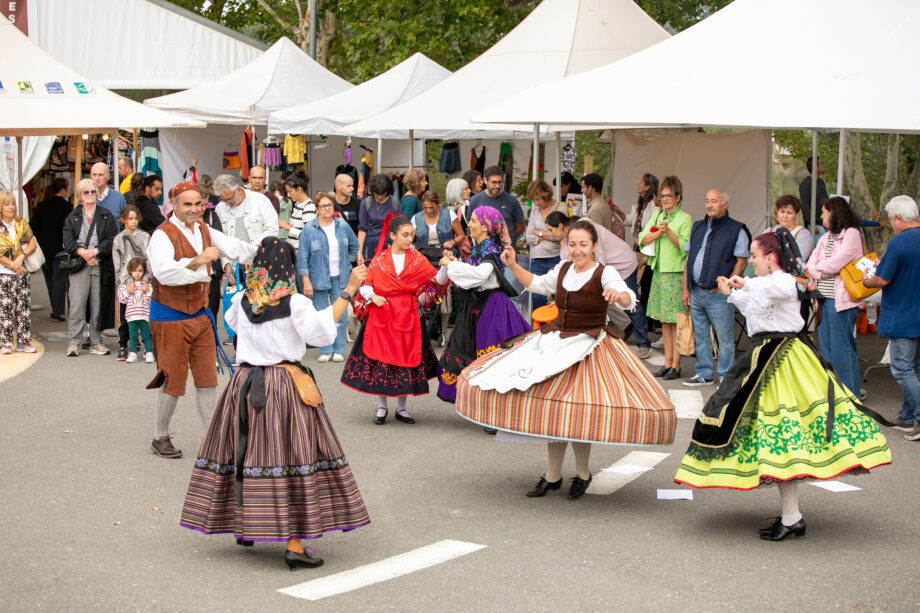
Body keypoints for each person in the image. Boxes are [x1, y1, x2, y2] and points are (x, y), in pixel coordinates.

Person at [674, 230, 891, 540]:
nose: (750, 262)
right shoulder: (769, 284)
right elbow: (754, 310)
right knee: (773, 439)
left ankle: (792, 518)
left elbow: (773, 288)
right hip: (764, 355)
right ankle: (792, 517)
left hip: (784, 358)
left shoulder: (785, 281)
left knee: (783, 438)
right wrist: (731, 293)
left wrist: (743, 282)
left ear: (771, 258)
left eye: (754, 256)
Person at [179, 237, 370, 570]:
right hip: (282, 386)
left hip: (244, 383)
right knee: (290, 460)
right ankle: (294, 544)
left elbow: (234, 326)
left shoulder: (241, 299)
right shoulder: (294, 302)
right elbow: (321, 335)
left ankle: (247, 526)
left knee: (246, 455)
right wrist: (349, 289)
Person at [456, 221, 675, 499]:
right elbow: (535, 284)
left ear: (595, 246)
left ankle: (583, 474)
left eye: (583, 244)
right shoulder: (562, 269)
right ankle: (553, 475)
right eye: (572, 244)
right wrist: (511, 264)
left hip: (588, 346)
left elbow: (627, 296)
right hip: (556, 341)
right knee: (555, 411)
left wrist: (617, 295)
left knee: (578, 412)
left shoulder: (604, 272)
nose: (577, 250)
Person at [146, 181, 258, 459]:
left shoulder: (205, 229)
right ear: (174, 203)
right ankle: (160, 436)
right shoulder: (162, 235)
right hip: (170, 318)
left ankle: (213, 439)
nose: (194, 209)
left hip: (201, 316)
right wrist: (198, 261)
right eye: (188, 204)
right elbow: (163, 273)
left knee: (208, 380)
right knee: (172, 380)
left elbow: (234, 246)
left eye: (198, 204)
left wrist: (265, 250)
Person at [341, 215, 444, 425]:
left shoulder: (417, 259)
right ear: (393, 236)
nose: (409, 239)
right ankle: (382, 407)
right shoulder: (379, 260)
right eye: (405, 235)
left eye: (412, 235)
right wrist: (372, 296)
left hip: (407, 314)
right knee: (382, 360)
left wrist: (448, 267)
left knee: (404, 359)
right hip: (383, 313)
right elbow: (366, 284)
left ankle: (401, 409)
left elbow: (435, 279)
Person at [436, 206, 531, 403]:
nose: (468, 224)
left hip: (492, 307)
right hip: (477, 305)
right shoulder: (480, 248)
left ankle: (496, 406)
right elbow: (471, 273)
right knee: (471, 352)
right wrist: (454, 262)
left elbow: (478, 276)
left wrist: (452, 265)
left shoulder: (491, 249)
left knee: (493, 357)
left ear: (486, 227)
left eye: (473, 221)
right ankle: (483, 404)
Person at [549, 212, 651, 357]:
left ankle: (644, 343)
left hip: (624, 264)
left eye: (551, 230)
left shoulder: (588, 230)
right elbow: (567, 264)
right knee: (601, 298)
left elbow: (599, 257)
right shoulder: (568, 238)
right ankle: (626, 327)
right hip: (609, 267)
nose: (550, 234)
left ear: (560, 226)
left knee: (630, 302)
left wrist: (592, 281)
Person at [863, 195, 920, 440]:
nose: (891, 223)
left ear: (898, 218)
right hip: (916, 313)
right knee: (915, 368)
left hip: (902, 315)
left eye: (890, 219)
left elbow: (882, 279)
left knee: (901, 370)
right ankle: (907, 417)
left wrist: (867, 279)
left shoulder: (899, 243)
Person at [682, 189, 751, 387]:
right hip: (696, 291)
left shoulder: (736, 229)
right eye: (707, 201)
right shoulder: (698, 226)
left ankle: (725, 375)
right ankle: (703, 373)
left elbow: (742, 261)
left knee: (724, 338)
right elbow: (688, 259)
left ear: (724, 204)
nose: (709, 205)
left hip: (718, 294)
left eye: (714, 201)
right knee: (701, 335)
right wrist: (686, 289)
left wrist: (726, 285)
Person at [806, 196, 864, 397]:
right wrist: (823, 271)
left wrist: (820, 270)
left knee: (842, 350)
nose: (821, 215)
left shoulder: (852, 235)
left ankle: (850, 397)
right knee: (827, 350)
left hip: (842, 301)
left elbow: (836, 263)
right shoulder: (825, 237)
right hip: (823, 298)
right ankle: (835, 396)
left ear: (834, 213)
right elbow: (809, 265)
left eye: (823, 211)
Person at [637, 175, 692, 379]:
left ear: (678, 197)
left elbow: (685, 247)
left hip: (675, 273)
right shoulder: (659, 216)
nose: (665, 199)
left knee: (676, 321)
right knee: (665, 322)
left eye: (669, 195)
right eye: (662, 195)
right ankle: (667, 361)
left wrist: (668, 232)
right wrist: (657, 233)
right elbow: (643, 239)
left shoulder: (684, 219)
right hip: (659, 271)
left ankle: (676, 364)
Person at [298, 191, 359, 363]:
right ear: (317, 208)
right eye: (323, 205)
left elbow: (354, 246)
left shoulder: (342, 225)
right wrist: (306, 280)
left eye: (330, 205)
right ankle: (325, 349)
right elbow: (302, 257)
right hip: (318, 277)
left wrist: (347, 263)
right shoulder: (309, 229)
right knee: (321, 313)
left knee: (340, 314)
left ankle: (339, 349)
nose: (327, 208)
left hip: (340, 276)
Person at [62, 179, 119, 357]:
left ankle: (96, 341)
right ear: (80, 195)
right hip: (79, 265)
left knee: (97, 305)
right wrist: (83, 253)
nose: (90, 195)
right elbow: (68, 240)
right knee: (77, 304)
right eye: (86, 192)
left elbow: (111, 239)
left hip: (100, 264)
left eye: (93, 192)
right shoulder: (74, 216)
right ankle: (73, 342)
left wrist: (95, 252)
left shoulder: (106, 215)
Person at [0, 191, 39, 353]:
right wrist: (14, 265)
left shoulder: (20, 223)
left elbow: (32, 243)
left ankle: (24, 341)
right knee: (6, 308)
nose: (11, 207)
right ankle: (6, 342)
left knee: (23, 307)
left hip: (22, 272)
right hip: (4, 273)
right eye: (7, 204)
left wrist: (21, 258)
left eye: (13, 204)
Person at [30, 177, 72, 322]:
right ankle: (58, 311)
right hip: (60, 247)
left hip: (43, 248)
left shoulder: (42, 205)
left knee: (49, 279)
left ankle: (55, 307)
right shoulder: (67, 206)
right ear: (63, 190)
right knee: (59, 280)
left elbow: (33, 226)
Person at [113, 205, 150, 361]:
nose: (133, 222)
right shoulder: (119, 238)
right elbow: (117, 263)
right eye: (130, 218)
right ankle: (123, 344)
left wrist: (146, 280)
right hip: (126, 282)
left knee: (143, 314)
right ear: (123, 220)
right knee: (125, 316)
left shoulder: (145, 237)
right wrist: (123, 283)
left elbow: (149, 261)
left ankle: (146, 346)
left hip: (142, 283)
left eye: (135, 218)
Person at [523, 180, 564, 310]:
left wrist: (538, 233)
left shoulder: (560, 207)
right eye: (533, 200)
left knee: (558, 295)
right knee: (536, 296)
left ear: (546, 195)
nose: (535, 203)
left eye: (538, 199)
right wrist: (547, 234)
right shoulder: (535, 211)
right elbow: (528, 236)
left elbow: (560, 235)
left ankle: (557, 326)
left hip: (556, 258)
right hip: (537, 259)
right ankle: (539, 327)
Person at [469, 166, 525, 247]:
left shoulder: (511, 200)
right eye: (494, 182)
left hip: (507, 252)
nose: (497, 186)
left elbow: (520, 226)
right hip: (483, 251)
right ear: (485, 180)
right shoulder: (475, 200)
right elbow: (470, 225)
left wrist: (508, 238)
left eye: (500, 182)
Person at [117, 256, 154, 363]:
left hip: (144, 315)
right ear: (130, 272)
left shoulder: (147, 286)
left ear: (144, 272)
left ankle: (149, 353)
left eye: (140, 271)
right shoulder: (126, 286)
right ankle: (132, 353)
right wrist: (127, 291)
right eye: (134, 271)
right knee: (132, 336)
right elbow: (122, 300)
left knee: (146, 336)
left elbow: (150, 300)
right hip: (131, 316)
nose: (137, 273)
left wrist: (147, 291)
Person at [356, 173, 400, 264]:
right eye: (376, 194)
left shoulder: (395, 203)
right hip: (370, 245)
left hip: (389, 244)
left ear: (388, 191)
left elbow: (400, 227)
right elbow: (362, 229)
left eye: (383, 194)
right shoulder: (366, 203)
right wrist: (359, 252)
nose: (379, 197)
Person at [281, 170, 316, 255]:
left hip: (302, 255)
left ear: (299, 189)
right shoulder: (298, 204)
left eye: (290, 191)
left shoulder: (308, 207)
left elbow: (309, 236)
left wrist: (288, 228)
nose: (288, 195)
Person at [772, 194, 814, 261]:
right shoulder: (769, 230)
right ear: (777, 212)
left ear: (796, 215)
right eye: (782, 212)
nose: (785, 216)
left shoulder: (803, 235)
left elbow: (799, 260)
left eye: (789, 213)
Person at [798, 156, 828, 230]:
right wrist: (812, 224)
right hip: (815, 225)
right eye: (821, 164)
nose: (822, 166)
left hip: (823, 223)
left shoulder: (821, 182)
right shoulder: (805, 184)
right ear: (816, 167)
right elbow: (805, 206)